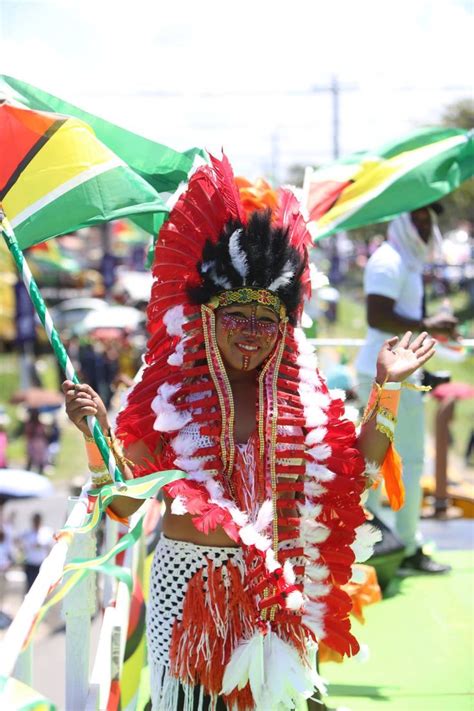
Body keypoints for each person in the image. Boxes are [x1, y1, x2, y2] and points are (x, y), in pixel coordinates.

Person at [63, 156, 436, 711]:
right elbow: (120, 503)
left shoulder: (302, 405)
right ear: (207, 317)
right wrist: (94, 435)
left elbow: (354, 477)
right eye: (236, 315)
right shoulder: (166, 398)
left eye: (267, 322)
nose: (252, 334)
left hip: (275, 594)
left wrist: (386, 387)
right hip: (187, 591)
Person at [356, 206, 458, 574]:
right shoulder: (389, 260)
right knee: (394, 465)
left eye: (429, 218)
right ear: (399, 218)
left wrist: (433, 330)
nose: (424, 225)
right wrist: (427, 323)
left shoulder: (404, 258)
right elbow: (376, 315)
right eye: (416, 217)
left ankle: (389, 548)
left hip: (398, 371)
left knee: (397, 465)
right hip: (386, 374)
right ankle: (399, 548)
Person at [19, 512, 53, 592]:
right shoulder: (27, 532)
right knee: (30, 588)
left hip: (42, 564)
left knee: (42, 589)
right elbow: (18, 542)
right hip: (30, 564)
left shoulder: (47, 532)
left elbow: (51, 546)